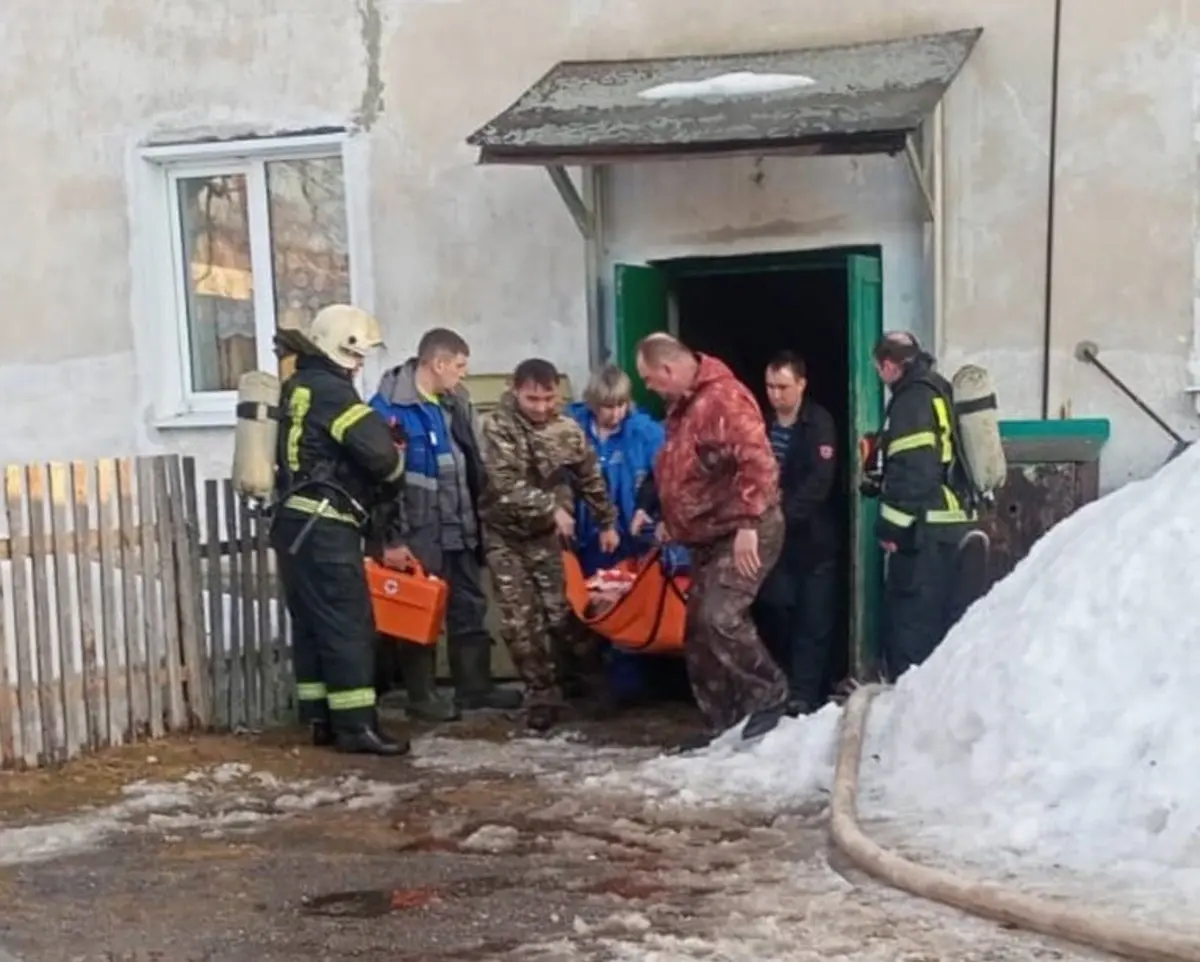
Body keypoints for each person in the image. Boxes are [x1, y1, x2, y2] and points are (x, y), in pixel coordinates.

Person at [633, 333, 789, 748]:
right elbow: (681, 469)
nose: (648, 388)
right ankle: (724, 724)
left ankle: (769, 695)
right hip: (705, 535)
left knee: (720, 616)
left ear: (667, 370)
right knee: (698, 635)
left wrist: (748, 524)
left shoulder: (724, 399)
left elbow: (758, 462)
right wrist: (669, 517)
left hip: (744, 531)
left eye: (649, 379)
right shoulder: (682, 407)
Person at [270, 304, 408, 756]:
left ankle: (319, 720)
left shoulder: (296, 387)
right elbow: (382, 457)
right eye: (360, 354)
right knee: (348, 625)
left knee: (312, 624)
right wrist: (394, 457)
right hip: (326, 525)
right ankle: (356, 727)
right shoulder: (333, 393)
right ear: (343, 350)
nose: (362, 364)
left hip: (291, 522)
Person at [369, 328, 522, 718]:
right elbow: (379, 484)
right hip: (418, 534)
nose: (463, 374)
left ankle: (475, 687)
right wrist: (390, 539)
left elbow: (473, 465)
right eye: (459, 365)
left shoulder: (455, 403)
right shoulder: (388, 410)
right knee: (418, 613)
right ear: (437, 363)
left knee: (469, 606)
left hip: (462, 527)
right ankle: (422, 698)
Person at [478, 358, 621, 732]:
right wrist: (551, 508)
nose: (541, 407)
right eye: (532, 399)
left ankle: (589, 682)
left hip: (548, 539)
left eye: (548, 399)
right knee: (519, 621)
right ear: (514, 389)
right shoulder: (497, 426)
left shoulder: (567, 430)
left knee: (564, 614)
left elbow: (589, 476)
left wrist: (606, 521)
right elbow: (503, 483)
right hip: (505, 536)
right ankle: (540, 693)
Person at [867, 332, 977, 679]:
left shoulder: (911, 400)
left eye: (878, 369)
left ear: (887, 366)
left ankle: (908, 706)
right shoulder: (935, 387)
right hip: (946, 523)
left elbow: (914, 473)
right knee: (937, 619)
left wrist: (889, 529)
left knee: (911, 626)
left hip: (924, 531)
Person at [566, 363, 664, 708]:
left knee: (627, 605)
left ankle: (628, 688)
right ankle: (588, 683)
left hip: (629, 538)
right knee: (585, 608)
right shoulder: (571, 428)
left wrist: (651, 514)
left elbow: (663, 478)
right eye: (608, 406)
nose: (615, 413)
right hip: (585, 536)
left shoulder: (646, 433)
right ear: (592, 402)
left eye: (621, 405)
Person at [753, 351, 839, 715]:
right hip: (774, 545)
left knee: (814, 620)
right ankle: (782, 688)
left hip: (814, 540)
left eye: (783, 387)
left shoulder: (818, 424)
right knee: (777, 613)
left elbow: (819, 483)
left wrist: (782, 516)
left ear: (801, 384)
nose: (775, 394)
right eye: (770, 387)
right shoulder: (759, 426)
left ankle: (806, 695)